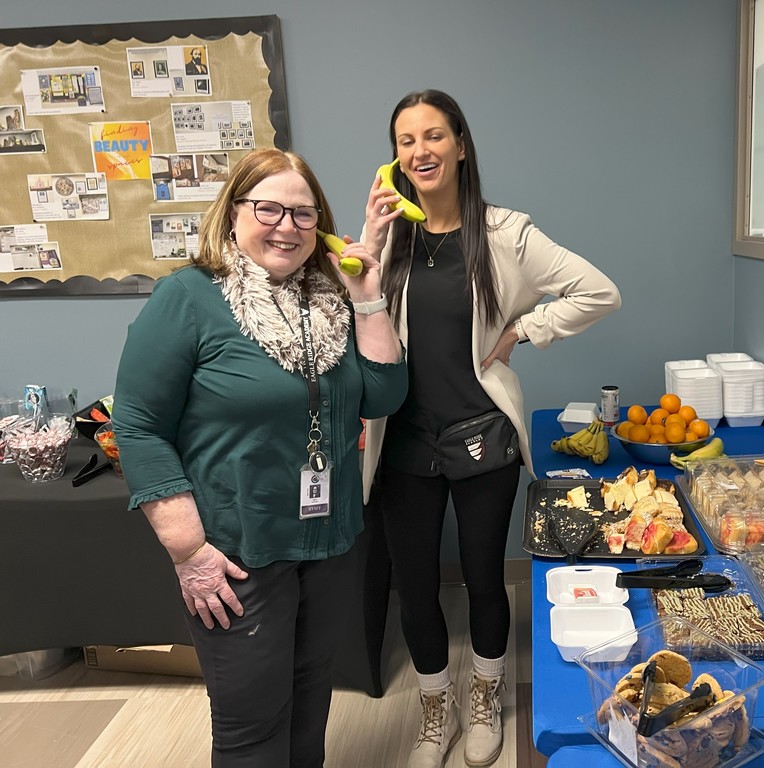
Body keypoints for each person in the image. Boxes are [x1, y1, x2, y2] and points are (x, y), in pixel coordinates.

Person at [114, 147, 407, 766]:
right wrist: (188, 551)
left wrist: (367, 295)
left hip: (328, 542)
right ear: (232, 214)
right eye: (268, 208)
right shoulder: (189, 298)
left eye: (304, 214)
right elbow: (137, 426)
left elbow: (383, 394)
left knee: (309, 703)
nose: (287, 226)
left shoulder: (327, 298)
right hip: (235, 553)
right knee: (252, 727)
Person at [361, 90, 621, 768]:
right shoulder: (388, 240)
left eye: (433, 136)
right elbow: (348, 316)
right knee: (413, 586)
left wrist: (525, 330)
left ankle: (483, 698)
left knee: (482, 577)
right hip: (404, 441)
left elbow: (599, 291)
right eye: (405, 140)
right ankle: (434, 711)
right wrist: (368, 238)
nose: (420, 150)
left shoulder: (506, 233)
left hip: (483, 437)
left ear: (461, 144)